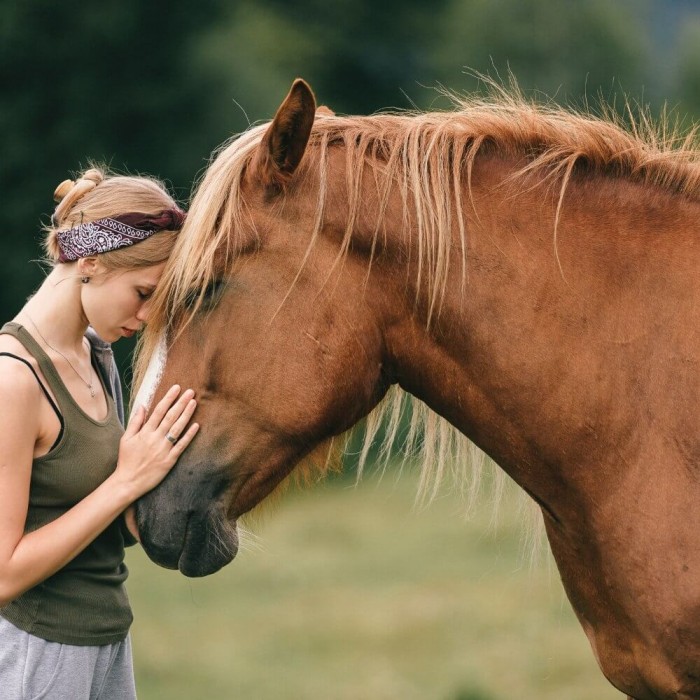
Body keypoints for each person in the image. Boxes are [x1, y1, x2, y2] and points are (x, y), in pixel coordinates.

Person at [0, 167, 199, 699]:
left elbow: (110, 527)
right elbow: (3, 575)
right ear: (88, 262)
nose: (150, 314)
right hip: (38, 651)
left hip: (107, 641)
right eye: (143, 291)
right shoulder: (13, 381)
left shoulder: (97, 354)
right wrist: (126, 482)